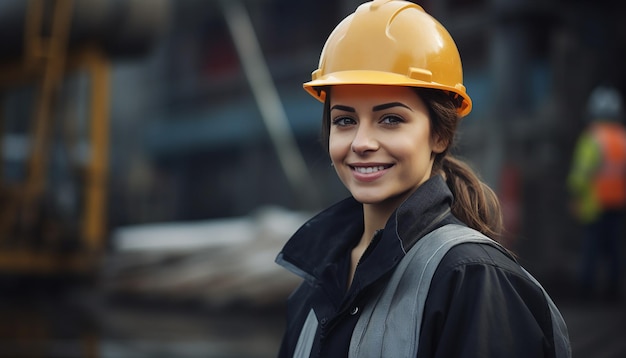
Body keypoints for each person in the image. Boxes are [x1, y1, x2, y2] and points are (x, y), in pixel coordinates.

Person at [275, 1, 571, 357]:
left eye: (391, 119)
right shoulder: (314, 285)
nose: (361, 143)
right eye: (344, 120)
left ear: (439, 135)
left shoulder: (471, 280)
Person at [567, 85, 626, 301]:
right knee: (614, 250)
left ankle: (586, 290)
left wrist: (575, 196)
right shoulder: (622, 138)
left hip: (594, 203)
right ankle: (613, 289)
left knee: (590, 249)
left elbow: (581, 173)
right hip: (617, 202)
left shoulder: (592, 138)